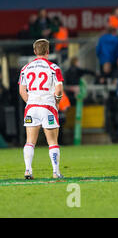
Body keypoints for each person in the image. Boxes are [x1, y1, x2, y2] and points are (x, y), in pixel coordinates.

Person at [18, 39, 65, 179]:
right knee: (52, 142)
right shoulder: (54, 68)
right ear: (48, 51)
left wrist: (31, 102)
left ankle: (28, 170)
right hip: (48, 107)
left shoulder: (25, 68)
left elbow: (22, 90)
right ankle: (56, 172)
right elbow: (59, 89)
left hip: (31, 107)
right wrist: (56, 102)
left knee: (30, 141)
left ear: (34, 51)